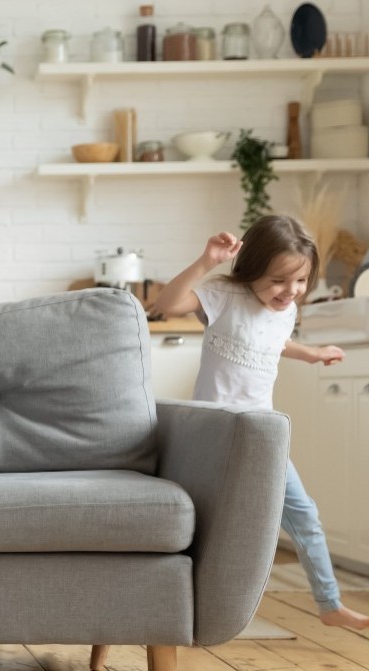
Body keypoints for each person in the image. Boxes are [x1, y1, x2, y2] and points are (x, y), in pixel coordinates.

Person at [153, 214, 369, 631]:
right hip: (216, 435)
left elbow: (274, 341)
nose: (290, 292)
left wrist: (311, 352)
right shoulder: (223, 296)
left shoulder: (283, 311)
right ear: (251, 269)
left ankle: (328, 603)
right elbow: (166, 305)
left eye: (301, 281)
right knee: (209, 524)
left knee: (304, 515)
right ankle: (186, 603)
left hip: (263, 436)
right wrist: (206, 260)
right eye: (278, 281)